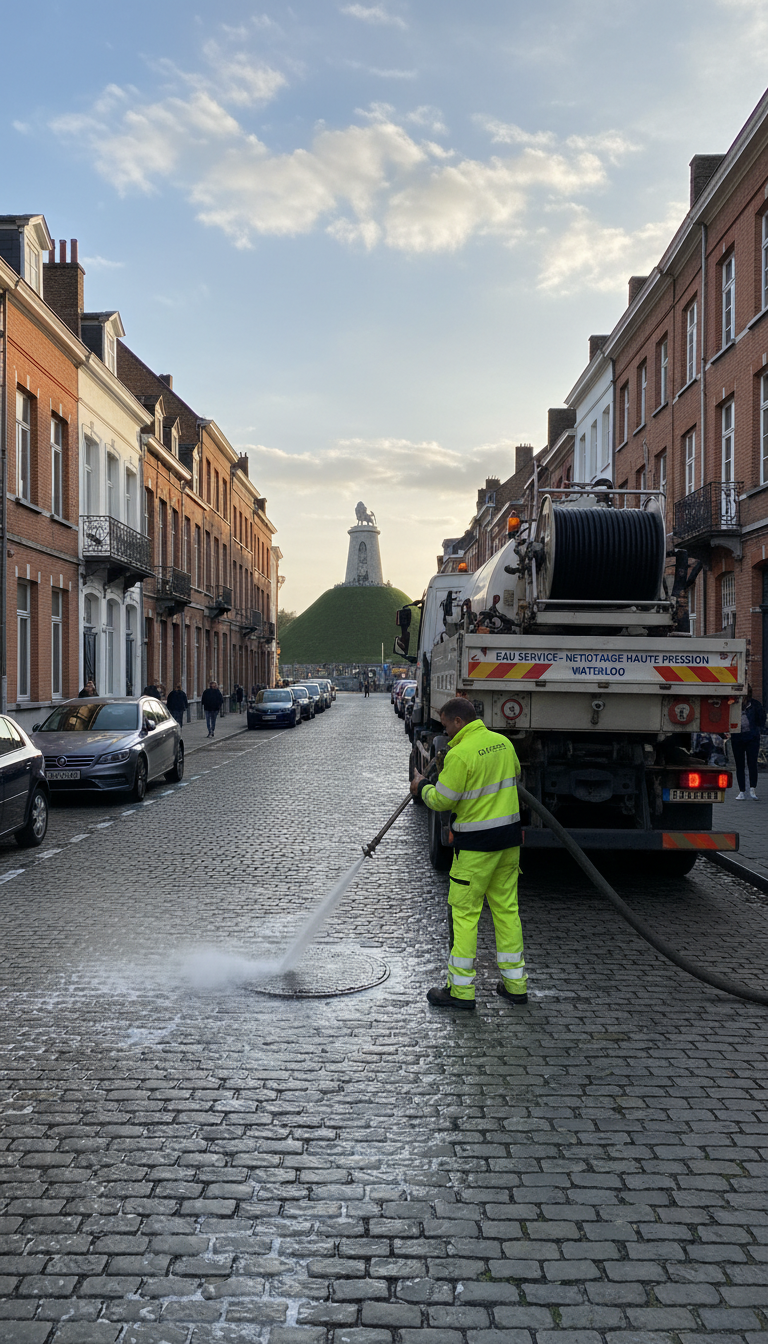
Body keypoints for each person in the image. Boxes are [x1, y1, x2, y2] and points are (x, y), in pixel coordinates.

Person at [410, 696, 526, 1012]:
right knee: (506, 911)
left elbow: (442, 801)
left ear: (459, 721)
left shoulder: (460, 754)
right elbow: (513, 774)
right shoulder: (503, 743)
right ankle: (516, 986)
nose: (444, 731)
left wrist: (422, 786)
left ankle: (461, 991)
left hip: (475, 848)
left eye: (446, 725)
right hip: (508, 844)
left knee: (464, 916)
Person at [731, 685, 766, 800]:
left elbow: (761, 718)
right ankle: (742, 791)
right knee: (739, 764)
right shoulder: (733, 704)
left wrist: (758, 730)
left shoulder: (755, 704)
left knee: (752, 763)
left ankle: (752, 788)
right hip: (737, 737)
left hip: (752, 737)